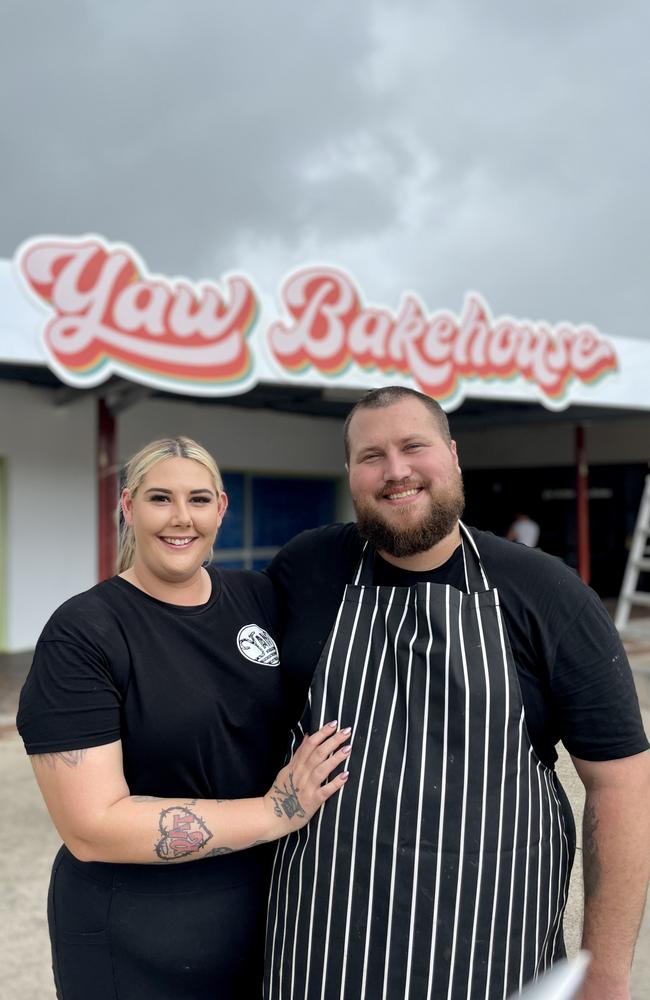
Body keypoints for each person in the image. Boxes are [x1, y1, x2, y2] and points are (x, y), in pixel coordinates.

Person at [264, 387, 650, 1000]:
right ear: (350, 473)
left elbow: (621, 784)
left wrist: (602, 970)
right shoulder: (305, 569)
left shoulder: (548, 593)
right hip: (323, 954)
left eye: (414, 446)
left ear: (452, 454)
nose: (396, 471)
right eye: (372, 455)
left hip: (495, 957)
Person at [17, 436, 350, 1000]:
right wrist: (274, 812)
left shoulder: (257, 598)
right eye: (159, 499)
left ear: (221, 508)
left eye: (197, 500)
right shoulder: (84, 632)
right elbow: (91, 827)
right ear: (128, 508)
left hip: (267, 917)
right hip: (136, 933)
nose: (180, 518)